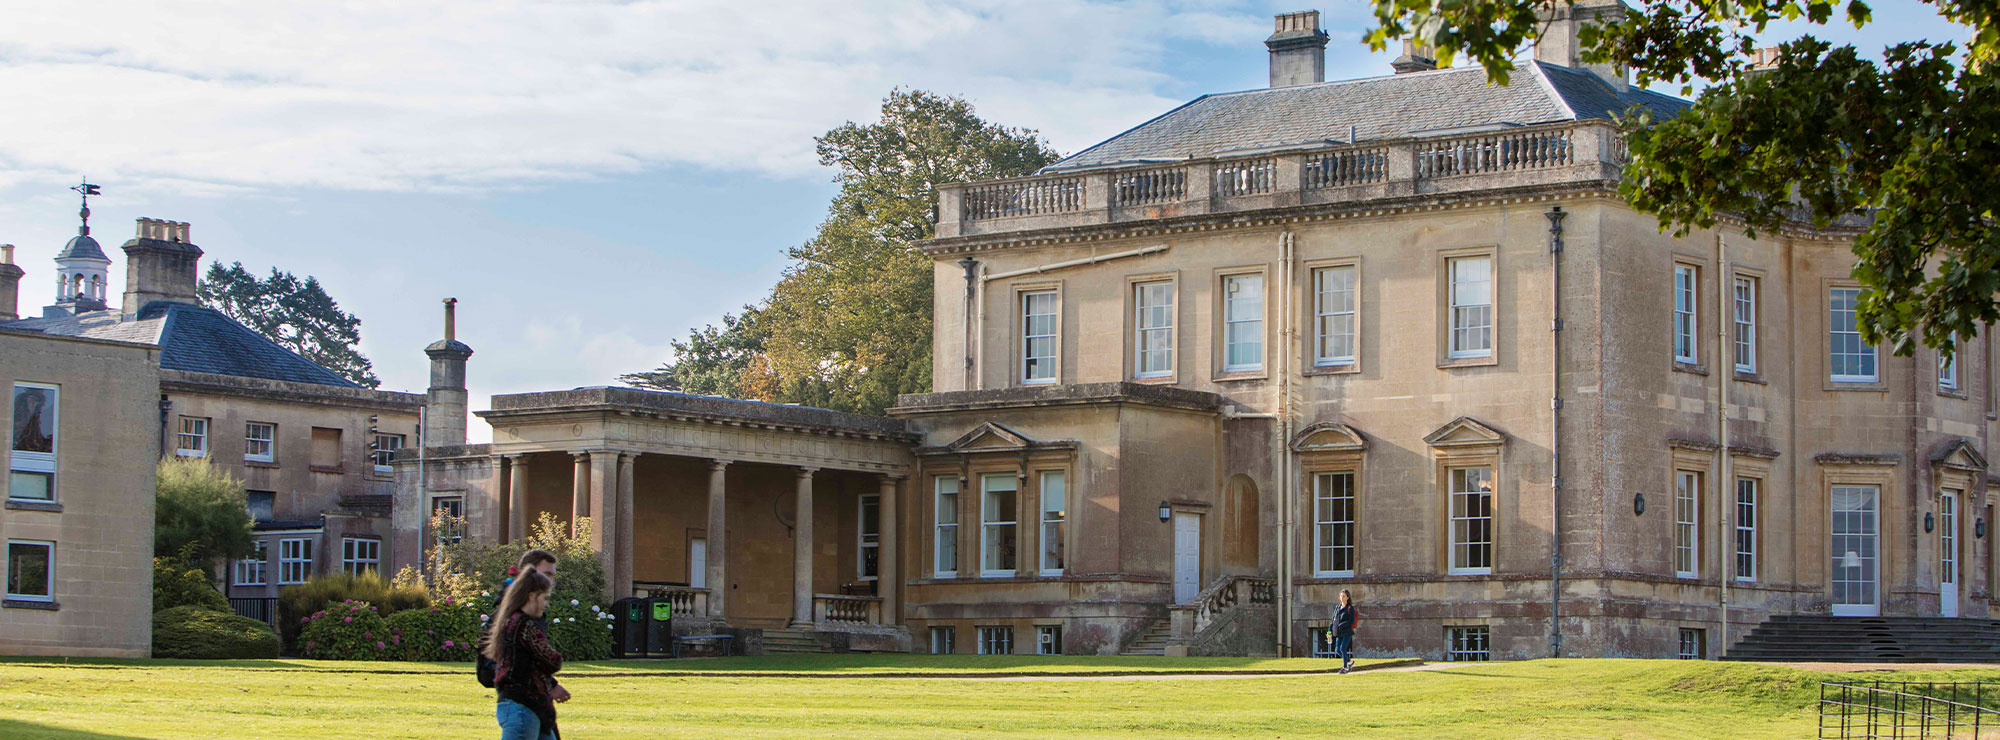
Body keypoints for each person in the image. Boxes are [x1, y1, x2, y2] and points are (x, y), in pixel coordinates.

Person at [485, 570, 567, 740]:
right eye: (545, 598)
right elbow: (552, 660)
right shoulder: (525, 626)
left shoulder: (509, 622)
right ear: (531, 596)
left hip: (528, 706)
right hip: (523, 707)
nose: (546, 605)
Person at [481, 551, 567, 704]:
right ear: (528, 574)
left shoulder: (530, 614)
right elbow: (490, 666)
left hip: (533, 700)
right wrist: (549, 684)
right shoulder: (512, 616)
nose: (552, 582)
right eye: (547, 574)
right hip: (520, 701)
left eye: (553, 575)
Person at [1331, 589, 1358, 674]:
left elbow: (1351, 620)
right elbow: (1333, 620)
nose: (1342, 598)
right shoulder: (1337, 608)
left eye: (1344, 596)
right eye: (1341, 596)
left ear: (1347, 597)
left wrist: (1342, 625)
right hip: (1339, 633)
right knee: (1337, 650)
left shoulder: (1350, 608)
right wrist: (1330, 629)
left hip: (1347, 632)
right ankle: (1350, 662)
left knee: (1343, 648)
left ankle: (1345, 668)